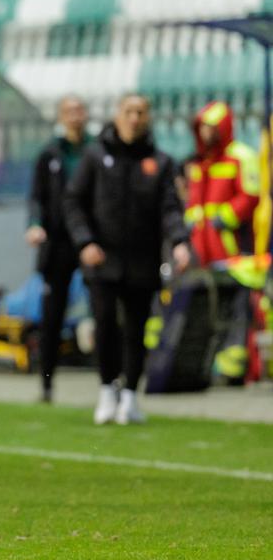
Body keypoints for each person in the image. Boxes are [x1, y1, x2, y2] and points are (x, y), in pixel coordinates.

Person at [63, 93, 190, 424]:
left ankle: (131, 397)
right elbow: (73, 202)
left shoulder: (160, 162)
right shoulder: (96, 156)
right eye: (129, 111)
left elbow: (170, 208)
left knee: (137, 328)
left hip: (142, 260)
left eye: (141, 112)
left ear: (147, 118)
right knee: (105, 323)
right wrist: (85, 241)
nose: (135, 117)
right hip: (102, 258)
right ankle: (107, 389)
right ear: (118, 115)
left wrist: (179, 241)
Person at [184, 101, 264, 383]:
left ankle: (234, 370)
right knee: (207, 309)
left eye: (211, 127)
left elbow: (251, 195)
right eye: (202, 128)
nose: (206, 134)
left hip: (233, 250)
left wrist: (226, 218)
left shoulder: (241, 156)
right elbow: (194, 200)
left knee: (238, 309)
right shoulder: (198, 161)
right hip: (201, 248)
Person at [25, 95, 90, 403]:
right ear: (61, 116)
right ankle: (47, 382)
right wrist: (36, 224)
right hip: (58, 243)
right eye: (69, 111)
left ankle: (112, 383)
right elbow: (36, 196)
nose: (75, 116)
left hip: (91, 241)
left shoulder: (95, 151)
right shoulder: (50, 153)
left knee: (105, 309)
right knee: (52, 315)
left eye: (79, 110)